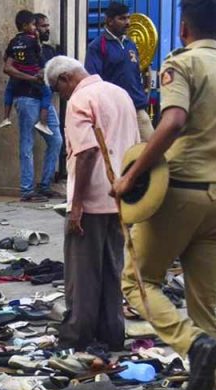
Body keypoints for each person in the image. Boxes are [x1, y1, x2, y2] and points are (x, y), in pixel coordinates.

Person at [112, 0, 216, 390]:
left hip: (178, 192)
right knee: (203, 301)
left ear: (182, 28)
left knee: (139, 282)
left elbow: (173, 120)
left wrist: (131, 177)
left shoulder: (181, 65)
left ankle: (192, 343)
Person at [47, 56, 138, 352]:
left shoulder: (80, 100)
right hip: (120, 198)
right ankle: (112, 334)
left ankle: (78, 335)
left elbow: (85, 153)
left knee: (83, 274)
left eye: (56, 89)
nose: (60, 96)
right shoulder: (119, 93)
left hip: (92, 200)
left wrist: (76, 206)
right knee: (112, 269)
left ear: (64, 79)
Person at [4, 10, 63, 202]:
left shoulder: (47, 49)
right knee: (27, 144)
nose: (47, 30)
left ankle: (44, 185)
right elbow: (9, 68)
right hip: (26, 97)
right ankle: (26, 190)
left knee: (56, 140)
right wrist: (32, 77)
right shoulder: (22, 44)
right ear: (33, 26)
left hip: (43, 98)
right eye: (43, 26)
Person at [85, 2, 153, 141]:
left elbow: (137, 74)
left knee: (152, 152)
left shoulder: (131, 44)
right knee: (120, 156)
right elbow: (93, 83)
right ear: (109, 21)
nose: (128, 22)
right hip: (114, 112)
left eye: (128, 18)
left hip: (137, 109)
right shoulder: (97, 47)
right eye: (122, 18)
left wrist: (143, 97)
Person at [0, 10, 53, 139]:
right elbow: (39, 56)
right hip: (32, 72)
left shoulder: (14, 41)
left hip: (17, 74)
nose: (35, 28)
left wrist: (18, 64)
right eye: (34, 25)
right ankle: (43, 122)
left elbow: (6, 57)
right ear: (25, 26)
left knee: (8, 92)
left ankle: (6, 117)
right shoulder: (33, 40)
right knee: (47, 92)